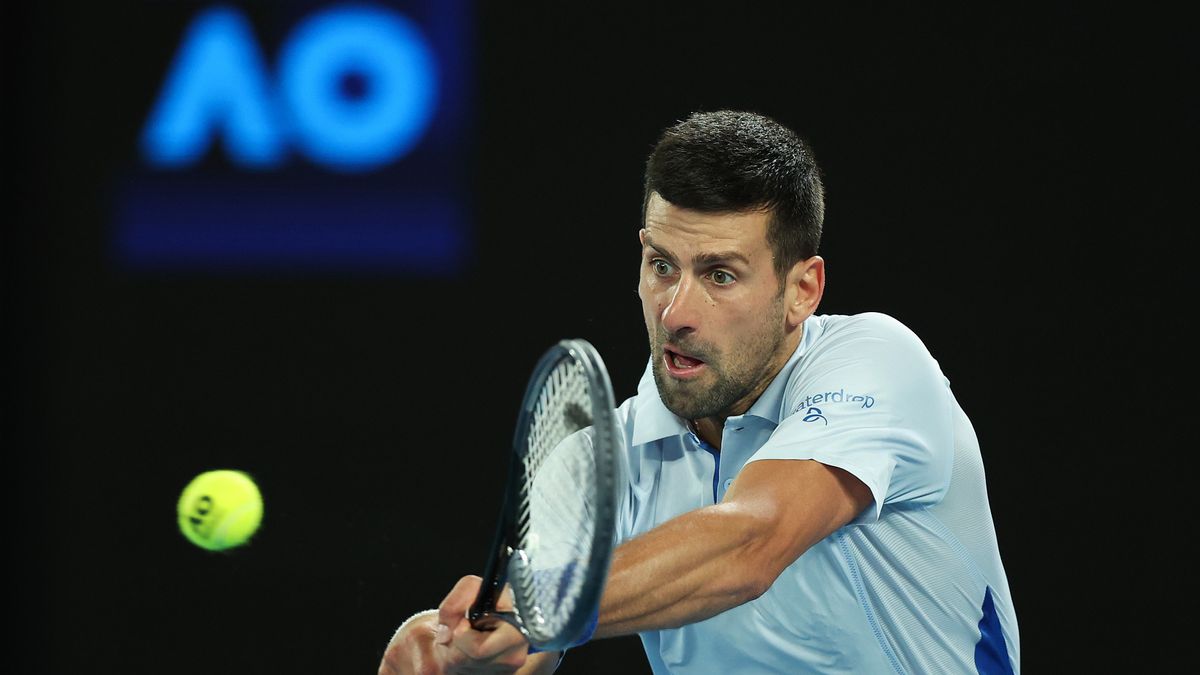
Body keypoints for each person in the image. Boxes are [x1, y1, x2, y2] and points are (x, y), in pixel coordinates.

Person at [378, 110, 1020, 674]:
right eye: (661, 266)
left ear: (803, 290)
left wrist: (539, 605)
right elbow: (524, 647)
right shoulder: (600, 461)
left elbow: (751, 542)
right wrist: (459, 654)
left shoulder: (879, 363)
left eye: (720, 275)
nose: (676, 311)